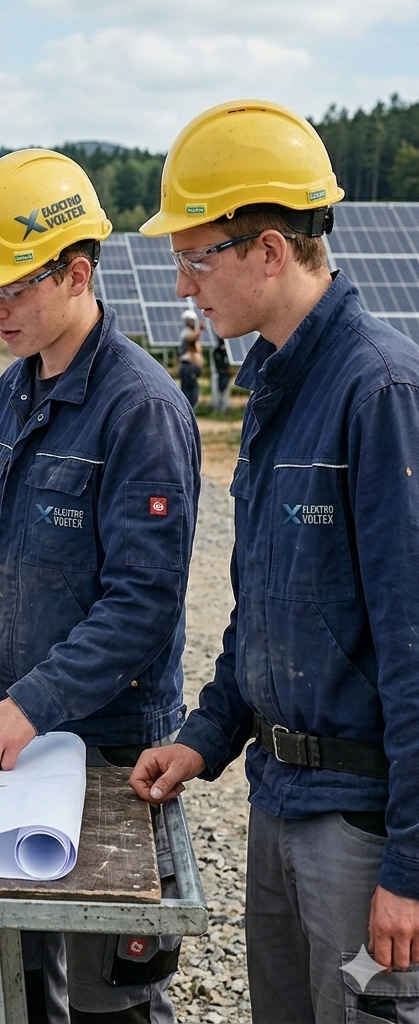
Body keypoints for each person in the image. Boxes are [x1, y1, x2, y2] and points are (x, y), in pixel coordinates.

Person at [131, 99, 419, 1023]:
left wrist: (410, 870)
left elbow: (416, 650)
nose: (181, 285)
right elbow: (268, 612)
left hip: (361, 827)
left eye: (196, 256)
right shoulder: (277, 389)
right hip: (280, 801)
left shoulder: (380, 393)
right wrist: (206, 734)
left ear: (268, 251)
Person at [0, 149, 201, 1024]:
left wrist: (26, 706)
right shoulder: (14, 392)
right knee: (19, 988)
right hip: (18, 744)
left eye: (11, 290)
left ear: (77, 273)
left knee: (107, 1007)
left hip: (112, 758)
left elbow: (143, 605)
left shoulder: (142, 409)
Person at [177, 309, 203, 409]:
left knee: (192, 393)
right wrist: (198, 331)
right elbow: (190, 338)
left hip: (191, 367)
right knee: (189, 394)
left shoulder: (190, 332)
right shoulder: (187, 333)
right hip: (188, 367)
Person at [212, 336, 231, 413]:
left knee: (225, 390)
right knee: (220, 389)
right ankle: (219, 407)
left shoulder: (227, 352)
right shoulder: (217, 352)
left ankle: (223, 408)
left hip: (225, 373)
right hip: (220, 373)